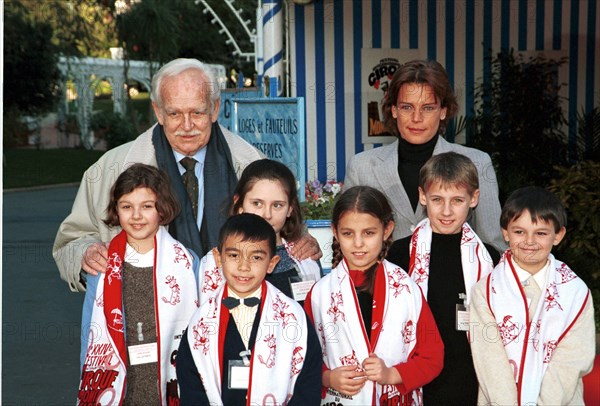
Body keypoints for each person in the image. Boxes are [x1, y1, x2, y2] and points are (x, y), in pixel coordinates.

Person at [53, 58, 318, 293]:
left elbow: (291, 233)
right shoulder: (110, 170)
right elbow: (71, 241)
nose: (187, 126)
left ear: (215, 109)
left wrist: (303, 244)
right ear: (158, 111)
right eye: (175, 114)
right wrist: (84, 255)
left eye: (197, 113)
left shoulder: (252, 165)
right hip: (147, 325)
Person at [344, 59, 505, 253]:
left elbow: (494, 246)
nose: (416, 118)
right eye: (407, 107)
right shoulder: (362, 166)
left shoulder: (477, 163)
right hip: (381, 281)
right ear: (394, 110)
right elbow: (347, 236)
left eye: (427, 108)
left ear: (443, 111)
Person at [304, 186, 444, 405]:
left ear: (387, 230)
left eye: (369, 233)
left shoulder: (407, 289)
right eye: (348, 233)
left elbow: (432, 357)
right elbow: (302, 359)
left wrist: (392, 375)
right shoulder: (319, 295)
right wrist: (327, 377)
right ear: (335, 231)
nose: (358, 244)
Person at [78, 164, 200, 405]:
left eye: (147, 206)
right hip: (123, 387)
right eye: (126, 207)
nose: (136, 216)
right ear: (116, 210)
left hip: (171, 379)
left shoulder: (187, 262)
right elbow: (89, 333)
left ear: (162, 209)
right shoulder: (103, 266)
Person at [386, 152, 499, 404]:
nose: (446, 211)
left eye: (457, 200)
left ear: (474, 199)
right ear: (422, 196)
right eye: (437, 199)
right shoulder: (400, 253)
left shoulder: (489, 258)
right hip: (417, 373)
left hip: (470, 375)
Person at [176, 213, 322, 405]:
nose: (244, 266)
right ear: (219, 258)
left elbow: (308, 382)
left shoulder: (293, 317)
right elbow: (190, 384)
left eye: (256, 257)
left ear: (272, 263)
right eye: (234, 255)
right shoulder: (201, 322)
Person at [470, 186, 595, 405]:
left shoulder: (574, 292)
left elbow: (574, 358)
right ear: (505, 233)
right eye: (519, 232)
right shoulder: (486, 292)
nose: (529, 241)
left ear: (558, 235)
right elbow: (489, 362)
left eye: (541, 233)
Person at [199, 159, 321, 304]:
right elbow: (207, 319)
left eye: (277, 205)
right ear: (239, 204)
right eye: (257, 203)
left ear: (290, 209)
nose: (266, 214)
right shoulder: (216, 261)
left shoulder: (304, 256)